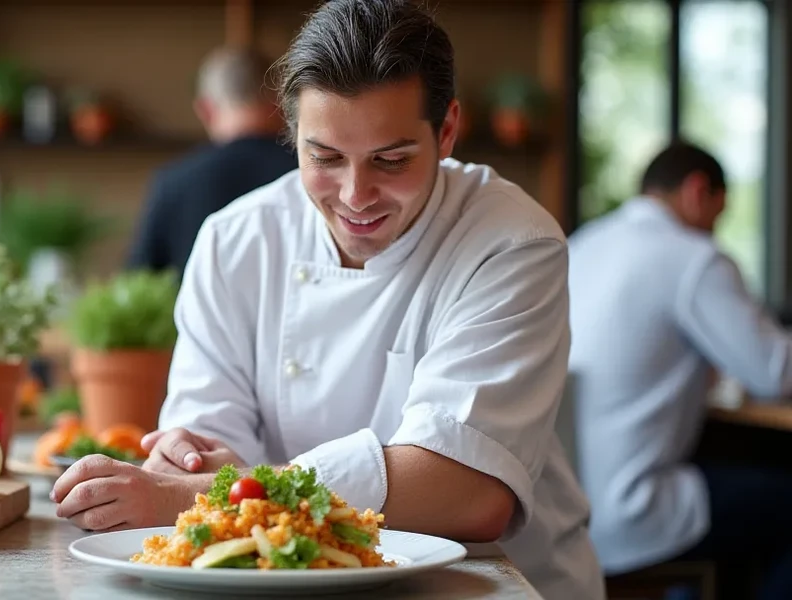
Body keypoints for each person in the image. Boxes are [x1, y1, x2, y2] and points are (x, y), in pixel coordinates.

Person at [50, 1, 604, 598]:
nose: (355, 194)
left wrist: (195, 492)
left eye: (391, 160)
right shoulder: (237, 240)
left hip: (488, 584)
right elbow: (200, 442)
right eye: (326, 158)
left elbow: (469, 493)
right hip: (288, 579)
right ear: (290, 135)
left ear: (446, 131)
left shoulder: (511, 242)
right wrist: (186, 458)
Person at [568, 142, 792, 599]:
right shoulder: (692, 257)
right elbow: (774, 374)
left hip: (566, 507)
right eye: (718, 213)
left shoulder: (582, 243)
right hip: (630, 510)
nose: (715, 229)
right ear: (696, 191)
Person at [123, 46, 297, 277]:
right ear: (283, 102)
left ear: (205, 109)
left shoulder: (174, 182)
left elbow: (137, 282)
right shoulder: (312, 173)